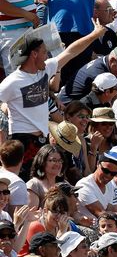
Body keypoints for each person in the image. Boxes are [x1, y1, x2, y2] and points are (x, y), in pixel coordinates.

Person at [0, 20, 106, 177]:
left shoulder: (45, 70)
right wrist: (3, 107)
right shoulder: (12, 81)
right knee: (25, 182)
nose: (47, 56)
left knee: (44, 181)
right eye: (44, 52)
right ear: (34, 54)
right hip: (22, 141)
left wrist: (94, 34)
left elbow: (71, 52)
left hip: (43, 139)